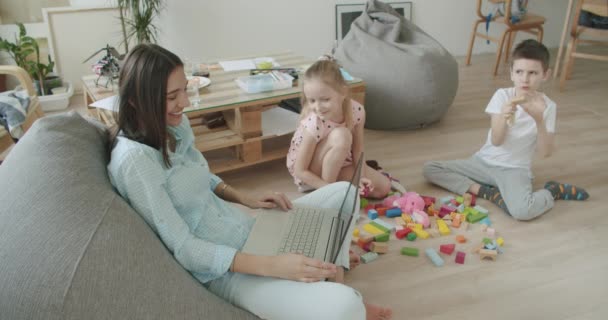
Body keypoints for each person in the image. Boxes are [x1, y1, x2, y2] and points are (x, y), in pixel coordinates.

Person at [107, 44, 392, 320]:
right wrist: (274, 266)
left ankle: (327, 267)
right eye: (172, 96)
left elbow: (201, 176)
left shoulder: (173, 125)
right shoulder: (134, 162)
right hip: (224, 271)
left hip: (248, 230)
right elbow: (185, 248)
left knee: (344, 193)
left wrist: (246, 199)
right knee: (345, 308)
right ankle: (330, 276)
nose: (184, 102)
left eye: (184, 90)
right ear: (136, 100)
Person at [423, 39, 589, 221]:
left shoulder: (548, 107)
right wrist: (502, 115)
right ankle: (487, 192)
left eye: (533, 73)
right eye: (519, 72)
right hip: (483, 162)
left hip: (514, 170)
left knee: (522, 212)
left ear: (545, 75)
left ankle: (552, 192)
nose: (525, 79)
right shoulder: (502, 96)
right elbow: (496, 141)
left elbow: (545, 152)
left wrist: (538, 120)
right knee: (431, 169)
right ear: (511, 73)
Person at [286, 59, 392, 199]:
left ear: (342, 92)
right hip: (311, 174)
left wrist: (360, 177)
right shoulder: (314, 122)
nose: (318, 107)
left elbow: (358, 150)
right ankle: (328, 196)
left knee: (383, 188)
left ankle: (336, 188)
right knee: (342, 135)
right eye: (312, 100)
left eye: (325, 99)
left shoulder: (357, 111)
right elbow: (300, 170)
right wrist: (329, 189)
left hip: (340, 163)